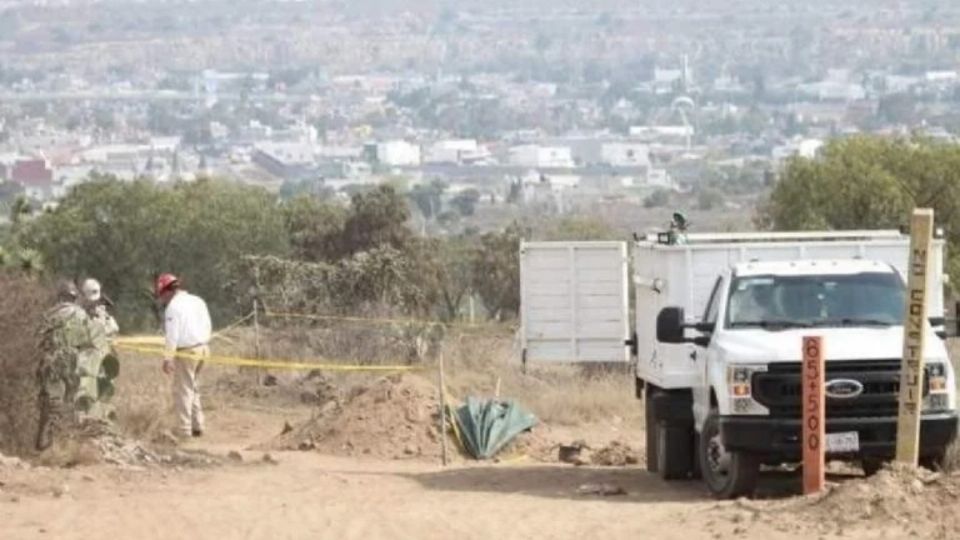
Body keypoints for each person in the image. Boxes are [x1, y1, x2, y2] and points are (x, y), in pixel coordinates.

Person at [36, 280, 98, 451]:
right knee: (70, 399)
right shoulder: (81, 315)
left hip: (51, 359)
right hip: (72, 360)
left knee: (51, 400)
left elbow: (38, 339)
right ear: (74, 297)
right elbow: (88, 341)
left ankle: (45, 442)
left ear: (60, 296)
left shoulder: (49, 314)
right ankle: (65, 440)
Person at [156, 273, 212, 439]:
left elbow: (172, 336)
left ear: (166, 291)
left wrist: (168, 358)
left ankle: (184, 430)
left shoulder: (173, 307)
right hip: (203, 348)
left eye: (161, 295)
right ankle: (198, 425)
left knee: (183, 391)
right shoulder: (197, 300)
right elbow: (208, 324)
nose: (162, 299)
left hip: (187, 352)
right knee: (194, 387)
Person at [78, 278, 120, 422]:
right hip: (88, 359)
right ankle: (89, 419)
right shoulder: (78, 313)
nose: (93, 302)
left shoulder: (102, 312)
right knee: (87, 391)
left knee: (105, 390)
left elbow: (114, 329)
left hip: (105, 358)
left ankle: (104, 419)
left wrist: (102, 318)